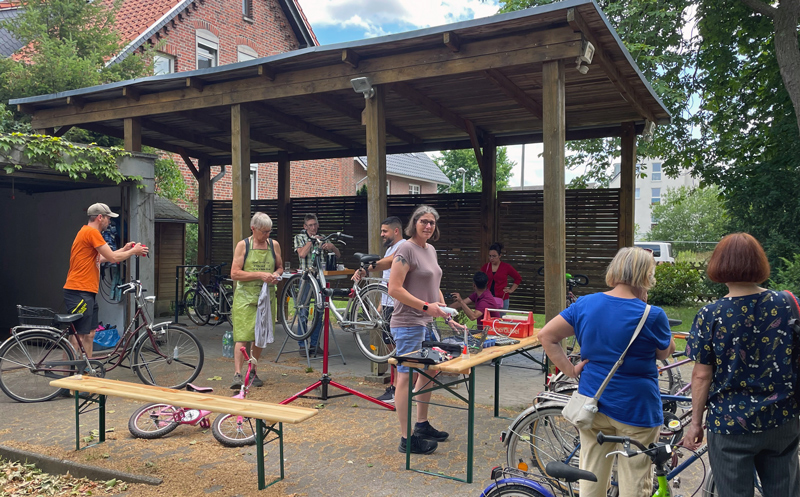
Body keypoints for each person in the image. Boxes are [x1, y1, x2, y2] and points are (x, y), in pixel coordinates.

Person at [538, 247, 674, 497]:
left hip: (592, 403)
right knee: (635, 481)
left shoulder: (585, 304)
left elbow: (546, 335)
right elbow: (664, 353)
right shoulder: (652, 315)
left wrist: (569, 369)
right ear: (646, 275)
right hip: (636, 409)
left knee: (590, 475)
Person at [682, 233, 799, 497]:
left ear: (719, 266)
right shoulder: (789, 304)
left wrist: (695, 424)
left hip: (730, 424)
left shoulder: (710, 314)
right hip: (781, 418)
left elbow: (701, 376)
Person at [388, 205, 452, 455]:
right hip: (408, 323)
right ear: (414, 223)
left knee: (429, 372)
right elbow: (394, 288)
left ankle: (422, 425)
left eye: (432, 223)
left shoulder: (431, 249)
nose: (428, 226)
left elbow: (433, 283)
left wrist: (444, 309)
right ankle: (406, 439)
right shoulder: (405, 248)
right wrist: (427, 306)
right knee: (406, 375)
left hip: (427, 322)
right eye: (423, 221)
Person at [63, 203, 149, 360]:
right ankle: (67, 376)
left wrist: (124, 249)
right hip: (79, 290)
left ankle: (87, 372)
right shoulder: (92, 233)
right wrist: (133, 251)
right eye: (108, 218)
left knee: (90, 334)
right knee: (78, 336)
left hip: (87, 291)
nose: (109, 222)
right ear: (99, 217)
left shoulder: (86, 232)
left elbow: (101, 258)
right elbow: (113, 258)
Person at [352, 216, 405, 404]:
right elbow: (386, 278)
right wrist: (381, 304)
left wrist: (367, 267)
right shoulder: (391, 248)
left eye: (385, 231)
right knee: (390, 347)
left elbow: (390, 263)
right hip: (388, 302)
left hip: (397, 304)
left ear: (396, 231)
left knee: (396, 348)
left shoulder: (402, 247)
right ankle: (395, 385)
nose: (382, 235)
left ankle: (398, 387)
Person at [229, 212, 283, 389]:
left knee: (260, 336)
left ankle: (252, 371)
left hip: (266, 296)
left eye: (269, 231)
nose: (267, 235)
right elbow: (235, 273)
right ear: (253, 229)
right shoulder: (243, 246)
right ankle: (237, 374)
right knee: (243, 335)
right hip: (245, 295)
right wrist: (260, 274)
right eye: (264, 232)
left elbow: (280, 267)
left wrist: (276, 275)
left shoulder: (274, 245)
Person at [293, 213, 340, 355]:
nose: (313, 227)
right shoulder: (299, 237)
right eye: (310, 225)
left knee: (320, 311)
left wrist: (331, 247)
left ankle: (314, 344)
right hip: (307, 277)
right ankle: (302, 345)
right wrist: (312, 241)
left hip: (320, 278)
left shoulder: (323, 237)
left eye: (315, 224)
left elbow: (338, 255)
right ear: (305, 227)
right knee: (303, 310)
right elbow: (301, 254)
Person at [481, 242, 521, 310]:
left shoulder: (506, 267)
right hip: (488, 298)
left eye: (494, 256)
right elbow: (479, 279)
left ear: (500, 255)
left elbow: (518, 278)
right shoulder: (486, 267)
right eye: (490, 256)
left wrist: (511, 290)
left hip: (502, 299)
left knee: (501, 319)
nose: (491, 258)